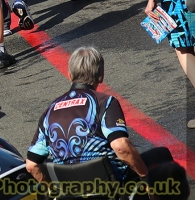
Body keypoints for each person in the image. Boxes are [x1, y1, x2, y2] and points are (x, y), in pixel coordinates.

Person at [26, 46, 150, 181]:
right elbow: (120, 147)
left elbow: (31, 165)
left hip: (69, 190)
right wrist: (146, 176)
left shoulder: (50, 110)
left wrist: (54, 190)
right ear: (101, 75)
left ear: (70, 75)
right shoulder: (105, 102)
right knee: (158, 155)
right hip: (108, 185)